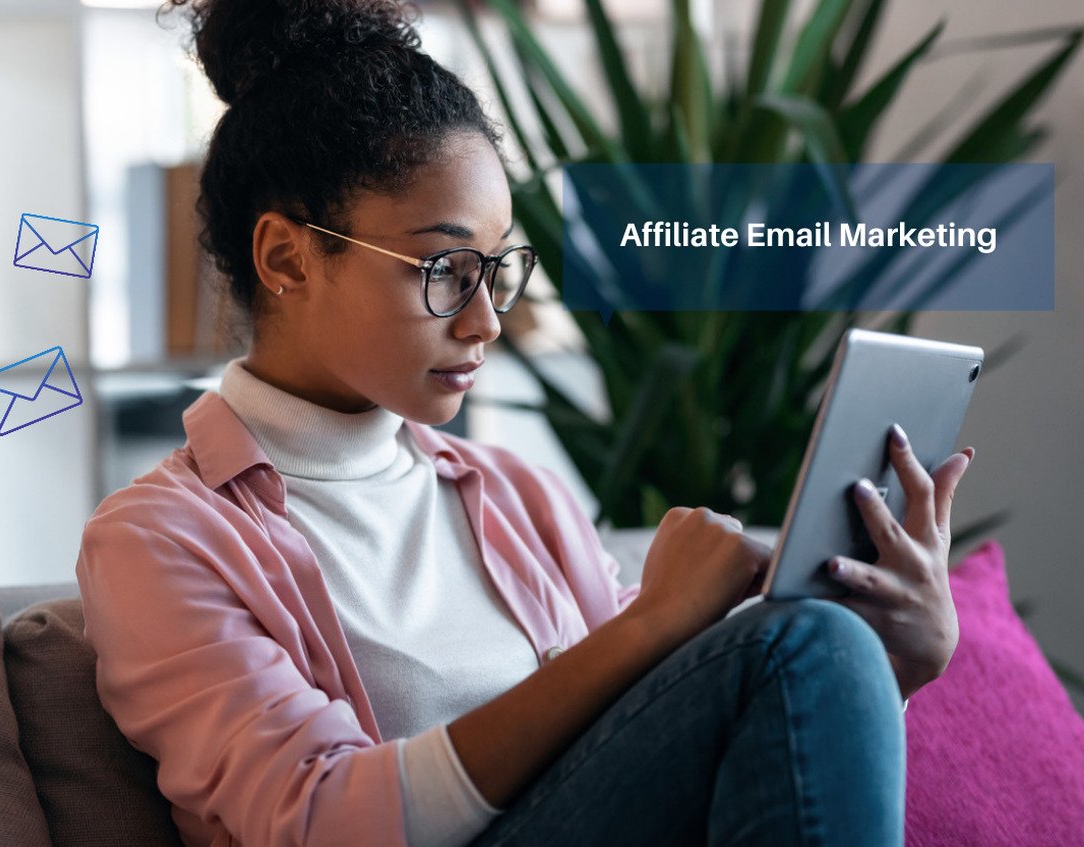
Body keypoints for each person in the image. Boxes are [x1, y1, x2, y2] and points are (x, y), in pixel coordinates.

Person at [74, 1, 976, 845]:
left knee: (821, 637)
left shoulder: (516, 497)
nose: (484, 320)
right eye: (442, 268)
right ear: (286, 257)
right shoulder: (158, 540)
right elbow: (318, 816)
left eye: (497, 269)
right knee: (802, 638)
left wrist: (900, 663)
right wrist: (648, 626)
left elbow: (712, 745)